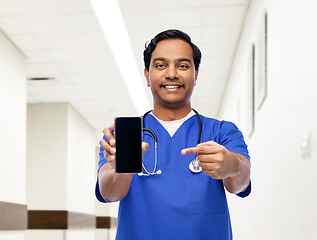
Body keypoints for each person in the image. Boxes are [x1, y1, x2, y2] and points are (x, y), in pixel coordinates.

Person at [95, 29, 251, 240]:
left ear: (195, 75)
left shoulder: (221, 131)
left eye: (183, 65)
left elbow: (239, 184)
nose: (171, 73)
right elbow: (109, 193)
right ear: (147, 75)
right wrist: (122, 167)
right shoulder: (122, 136)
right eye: (160, 65)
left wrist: (232, 164)